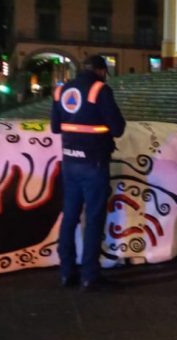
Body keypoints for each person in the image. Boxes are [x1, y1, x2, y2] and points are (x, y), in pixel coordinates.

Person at [51, 55, 126, 292]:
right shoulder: (99, 90)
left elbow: (55, 127)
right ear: (101, 71)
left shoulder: (61, 90)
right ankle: (90, 276)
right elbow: (118, 128)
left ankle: (66, 272)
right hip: (93, 163)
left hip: (69, 161)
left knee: (70, 217)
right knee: (93, 219)